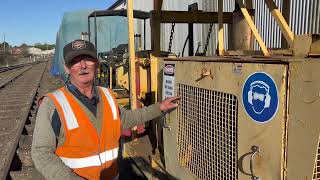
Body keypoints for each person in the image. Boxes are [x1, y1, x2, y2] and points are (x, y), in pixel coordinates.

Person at [31, 39, 180, 180]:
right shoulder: (52, 104)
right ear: (67, 68)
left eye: (87, 59)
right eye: (75, 61)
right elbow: (41, 154)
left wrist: (159, 107)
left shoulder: (107, 95)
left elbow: (126, 119)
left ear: (96, 63)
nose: (82, 66)